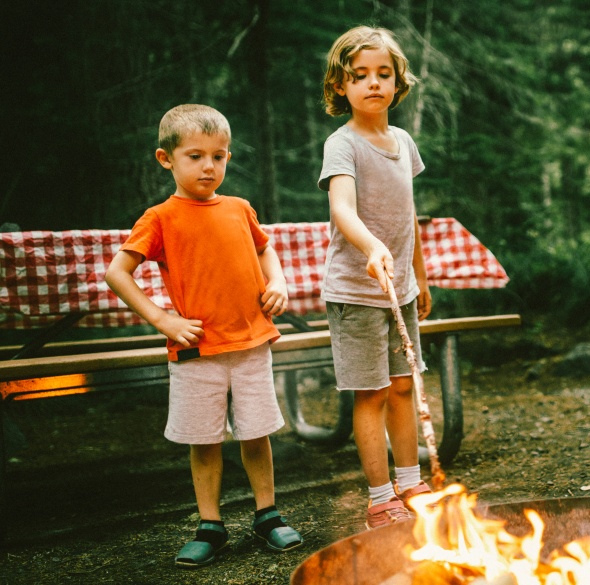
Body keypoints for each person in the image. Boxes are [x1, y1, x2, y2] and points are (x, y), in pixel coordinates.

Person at [105, 104, 303, 568]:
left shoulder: (239, 208)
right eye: (195, 156)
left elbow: (266, 250)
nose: (209, 166)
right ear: (166, 159)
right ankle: (210, 526)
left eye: (219, 156)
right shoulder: (159, 218)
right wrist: (164, 320)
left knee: (257, 433)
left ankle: (267, 515)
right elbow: (118, 272)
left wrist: (278, 282)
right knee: (204, 438)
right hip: (197, 350)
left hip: (252, 343)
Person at [318, 26, 434, 529]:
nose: (373, 83)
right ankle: (380, 495)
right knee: (373, 393)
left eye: (383, 74)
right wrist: (371, 247)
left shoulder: (403, 142)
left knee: (405, 387)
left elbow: (409, 215)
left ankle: (411, 481)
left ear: (397, 81)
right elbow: (342, 208)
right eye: (360, 75)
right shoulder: (341, 145)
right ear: (340, 86)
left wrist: (420, 278)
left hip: (400, 292)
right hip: (356, 293)